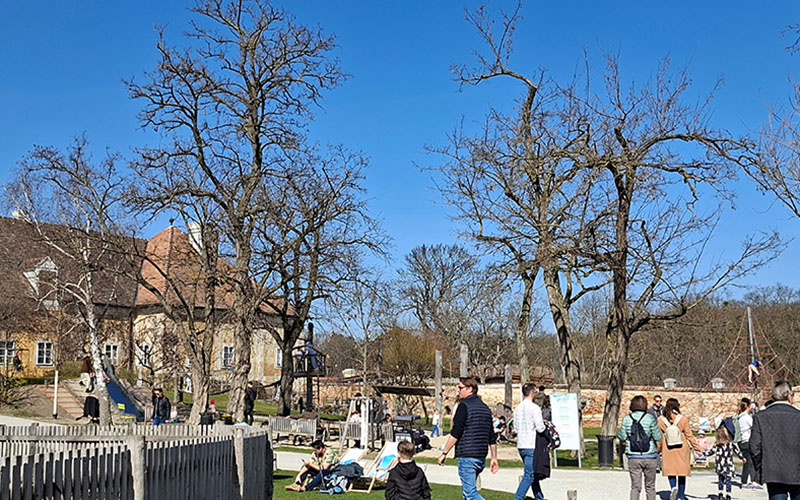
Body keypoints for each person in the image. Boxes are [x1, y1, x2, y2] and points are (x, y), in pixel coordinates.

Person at [437, 377, 499, 500]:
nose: (458, 391)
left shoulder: (464, 406)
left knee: (470, 494)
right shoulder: (485, 408)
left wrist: (444, 453)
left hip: (467, 455)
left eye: (460, 388)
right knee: (467, 493)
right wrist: (494, 458)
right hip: (480, 456)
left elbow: (456, 432)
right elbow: (491, 436)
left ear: (470, 389)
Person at [750, 380, 800, 499]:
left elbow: (754, 447)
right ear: (789, 396)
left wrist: (762, 465)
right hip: (797, 470)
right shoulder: (798, 417)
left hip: (773, 470)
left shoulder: (760, 417)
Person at [618, 395, 662, 500]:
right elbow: (658, 436)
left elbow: (622, 436)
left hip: (633, 456)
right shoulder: (650, 418)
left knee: (635, 486)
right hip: (650, 455)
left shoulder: (627, 419)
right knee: (650, 487)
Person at [657, 398, 701, 500]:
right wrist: (697, 448)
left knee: (671, 470)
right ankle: (681, 495)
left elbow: (659, 436)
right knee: (682, 472)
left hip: (668, 447)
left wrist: (659, 448)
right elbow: (689, 435)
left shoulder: (660, 420)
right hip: (682, 446)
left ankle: (673, 487)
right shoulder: (683, 419)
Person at [513, 383, 546, 500]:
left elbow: (515, 428)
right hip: (532, 445)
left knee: (533, 474)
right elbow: (540, 427)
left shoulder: (517, 408)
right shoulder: (534, 408)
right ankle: (518, 498)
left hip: (521, 444)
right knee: (529, 475)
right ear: (532, 393)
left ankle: (539, 497)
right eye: (536, 392)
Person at [703, 425, 744, 500]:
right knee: (728, 480)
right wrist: (742, 458)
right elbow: (737, 451)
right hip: (728, 464)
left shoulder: (717, 445)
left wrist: (703, 454)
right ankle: (728, 495)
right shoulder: (730, 444)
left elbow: (711, 452)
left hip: (720, 464)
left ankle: (720, 494)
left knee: (721, 479)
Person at [737, 397, 759, 489]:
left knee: (747, 461)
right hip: (747, 441)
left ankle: (748, 480)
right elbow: (754, 426)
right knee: (750, 462)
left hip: (741, 441)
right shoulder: (746, 417)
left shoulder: (739, 417)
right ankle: (746, 481)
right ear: (748, 406)